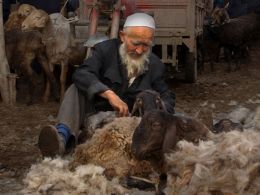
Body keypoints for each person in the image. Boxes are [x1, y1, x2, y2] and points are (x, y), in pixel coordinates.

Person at [38, 12, 175, 157]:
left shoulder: (155, 64)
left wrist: (159, 108)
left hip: (132, 122)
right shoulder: (105, 50)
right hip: (98, 111)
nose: (140, 50)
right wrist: (108, 94)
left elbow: (167, 95)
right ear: (123, 36)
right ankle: (61, 139)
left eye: (146, 45)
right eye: (135, 44)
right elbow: (82, 74)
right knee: (75, 89)